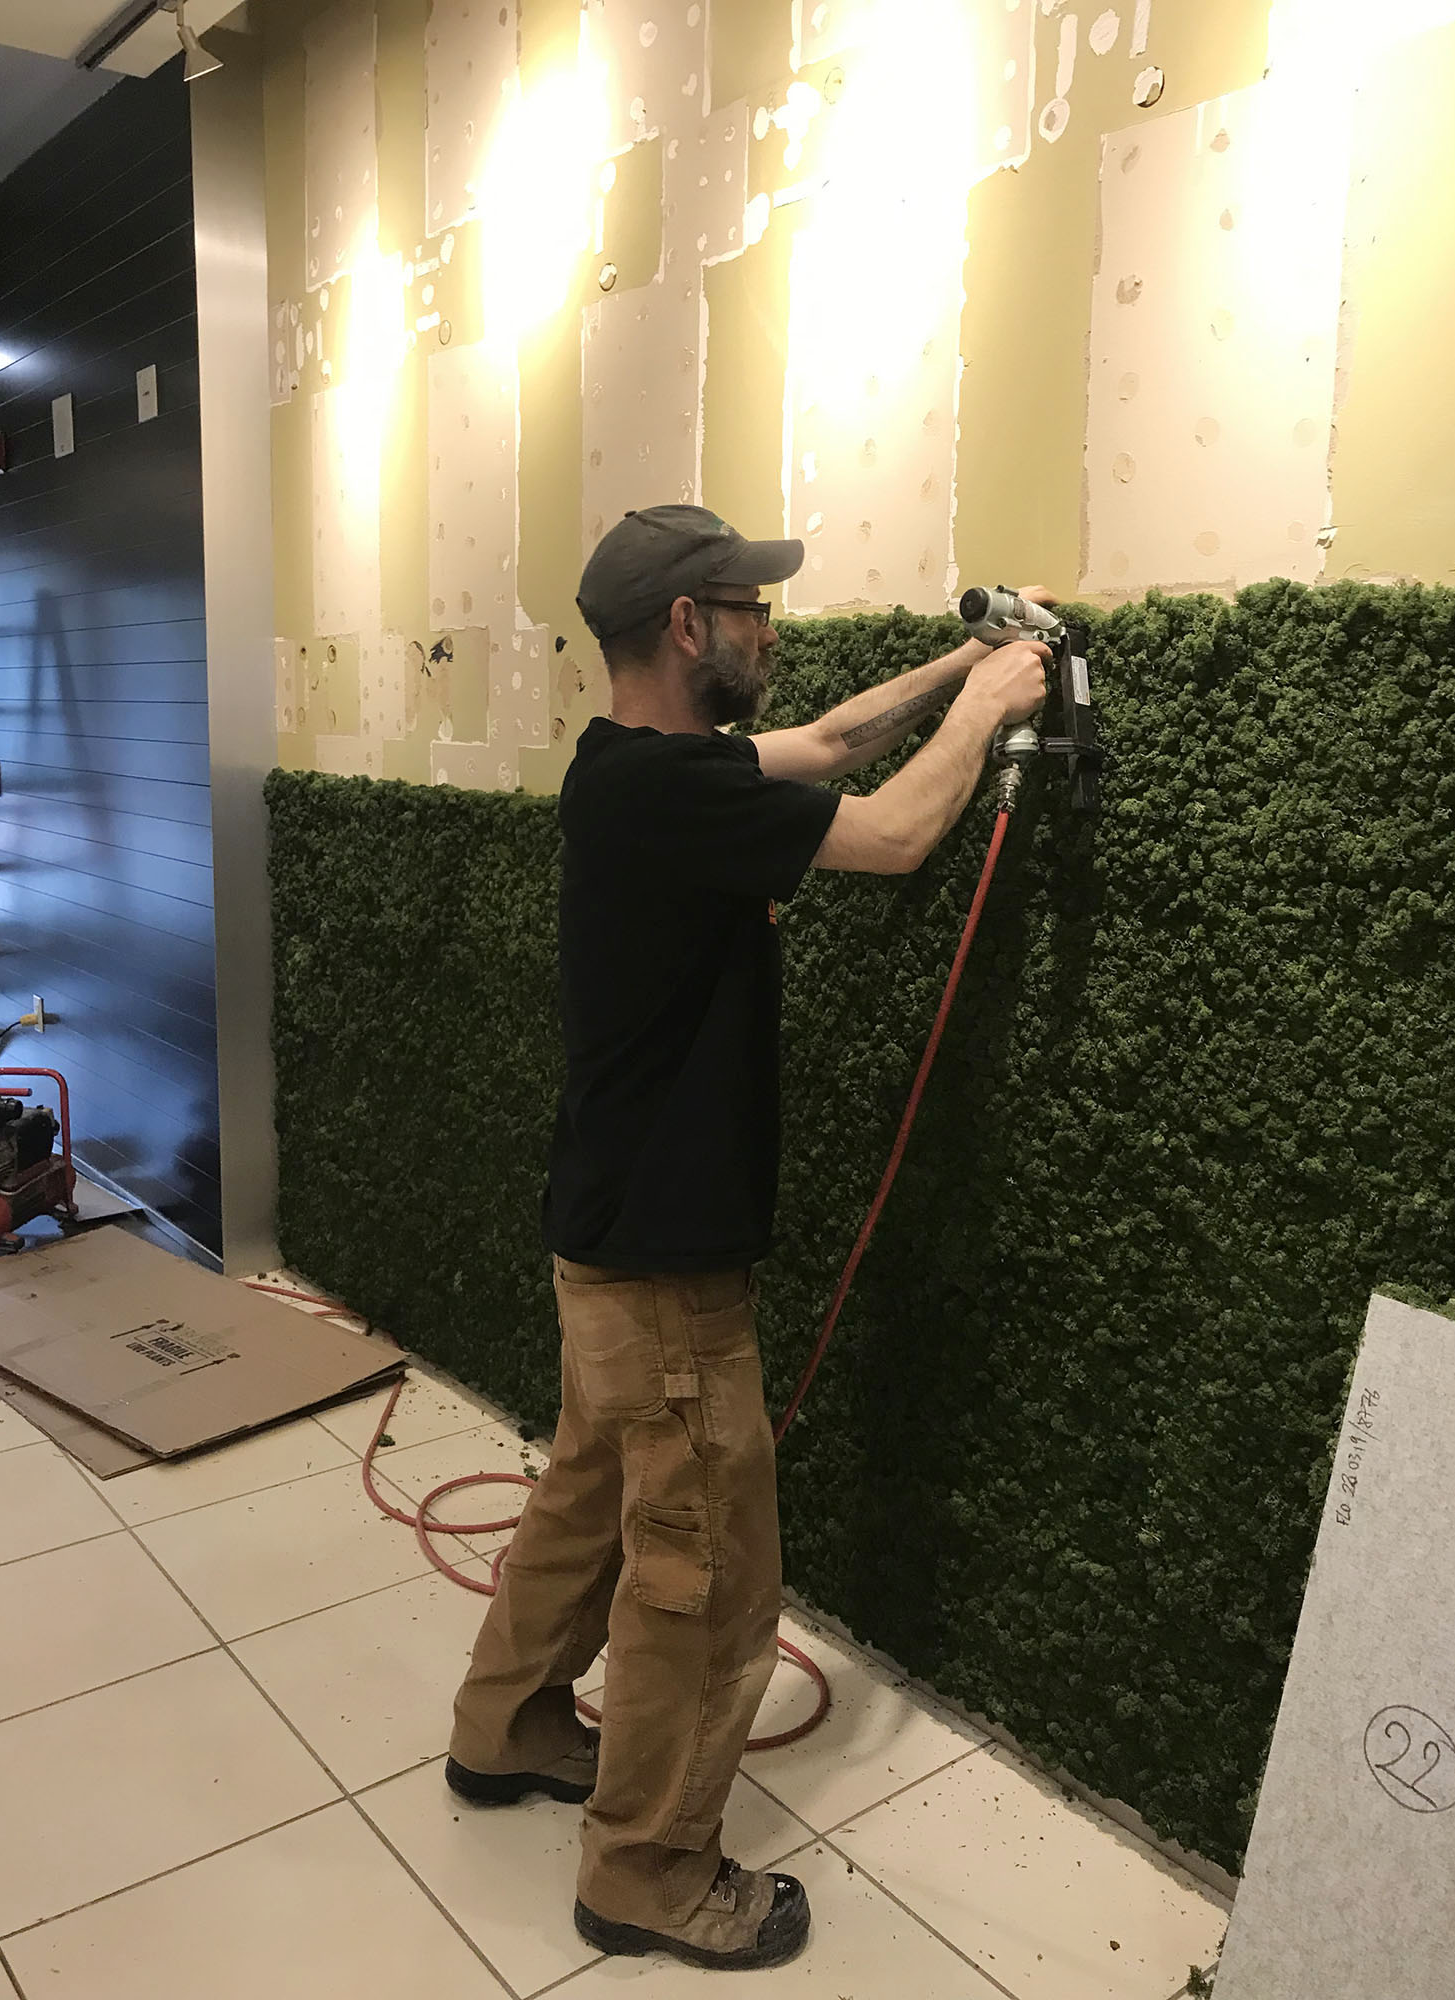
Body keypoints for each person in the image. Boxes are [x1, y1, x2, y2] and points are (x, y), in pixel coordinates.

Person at [446, 505, 1051, 1971]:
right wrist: (994, 706)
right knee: (706, 1572)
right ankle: (650, 1870)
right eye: (751, 608)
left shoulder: (634, 770)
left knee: (589, 1498)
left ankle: (507, 1725)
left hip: (607, 1240)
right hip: (664, 1266)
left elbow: (834, 743)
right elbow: (894, 834)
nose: (770, 630)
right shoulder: (668, 793)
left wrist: (959, 660)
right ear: (685, 626)